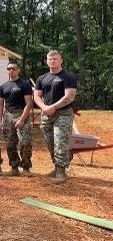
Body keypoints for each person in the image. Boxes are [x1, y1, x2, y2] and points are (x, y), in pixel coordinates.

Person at [34, 50, 77, 184]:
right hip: (46, 114)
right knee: (50, 142)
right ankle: (57, 165)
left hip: (63, 113)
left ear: (61, 60)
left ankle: (61, 172)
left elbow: (69, 96)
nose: (52, 61)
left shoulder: (68, 77)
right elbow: (37, 96)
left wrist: (53, 107)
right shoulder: (42, 78)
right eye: (50, 59)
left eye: (55, 59)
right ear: (47, 61)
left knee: (60, 141)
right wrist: (45, 108)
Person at [0, 61, 33, 177]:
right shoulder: (3, 86)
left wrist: (22, 119)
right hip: (8, 116)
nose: (11, 71)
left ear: (18, 70)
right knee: (10, 143)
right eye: (9, 69)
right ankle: (14, 167)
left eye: (14, 68)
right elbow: (0, 105)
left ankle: (26, 167)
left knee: (25, 142)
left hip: (21, 114)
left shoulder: (24, 85)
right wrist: (0, 121)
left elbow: (29, 103)